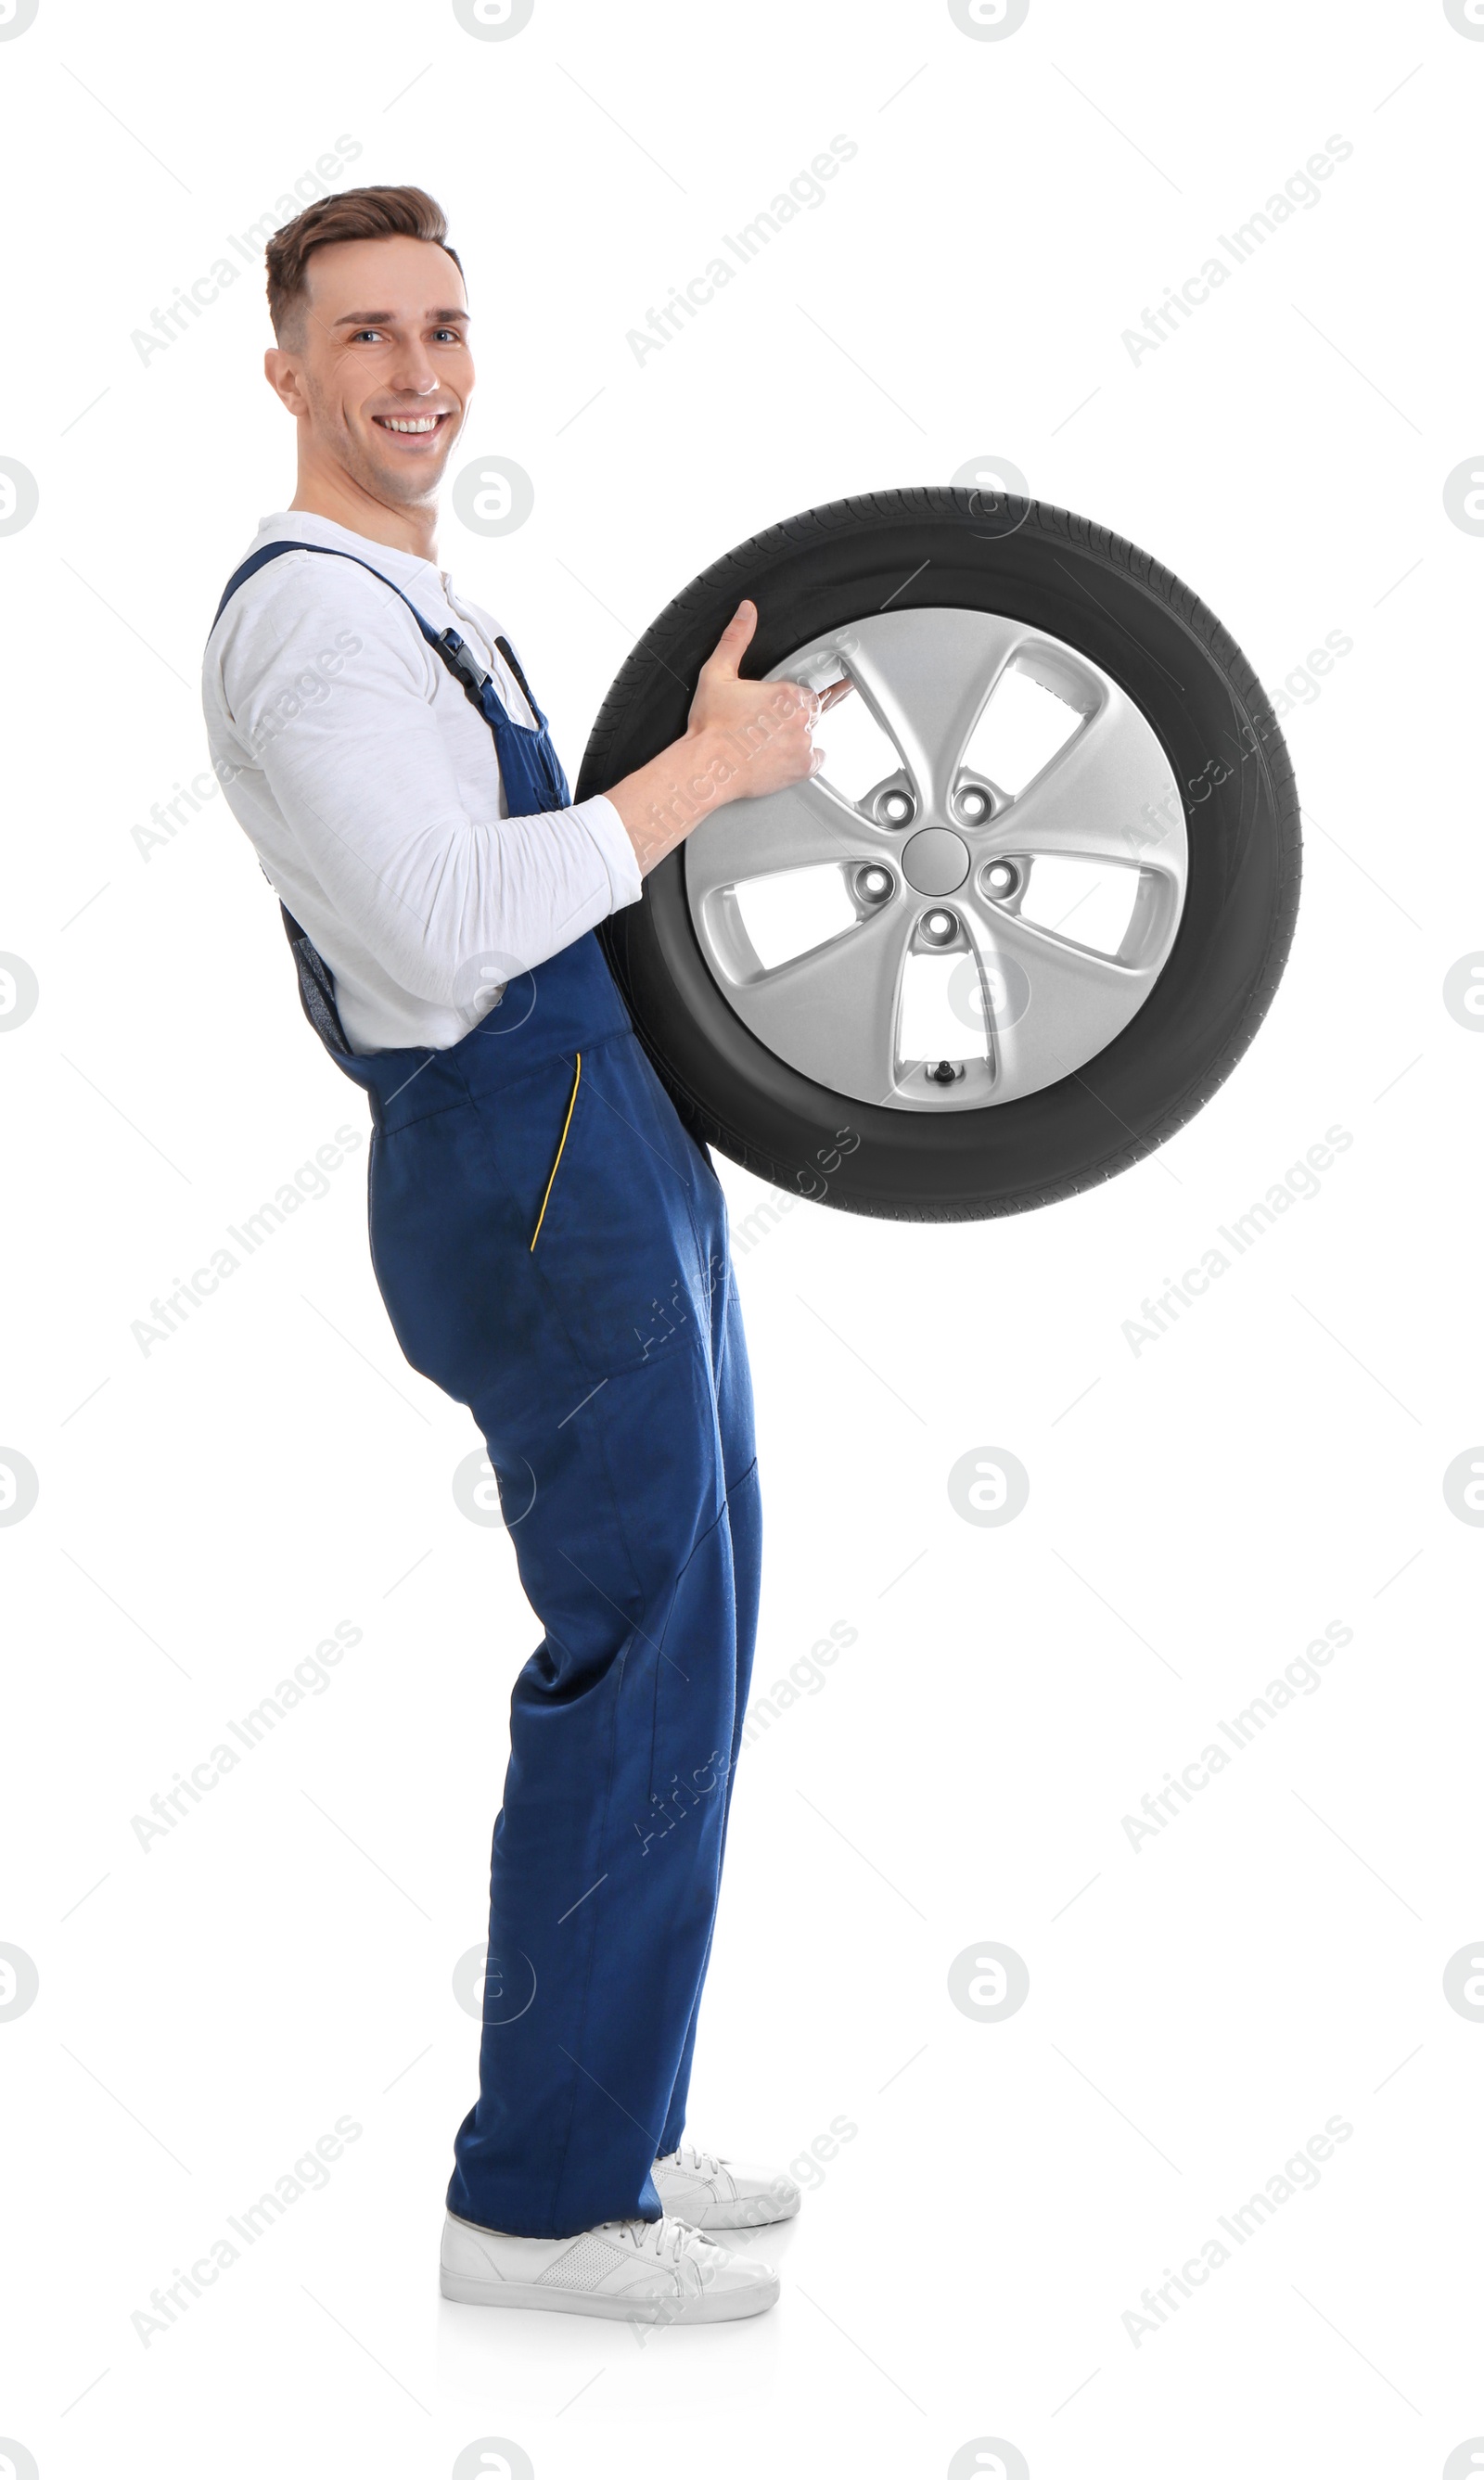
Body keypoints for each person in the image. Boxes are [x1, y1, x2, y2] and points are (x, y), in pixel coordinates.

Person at [200, 184, 850, 2327]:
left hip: (597, 1129)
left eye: (446, 327)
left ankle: (617, 2119)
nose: (418, 373)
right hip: (522, 1155)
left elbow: (522, 871)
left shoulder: (413, 594)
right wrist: (698, 770)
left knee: (700, 1613)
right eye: (367, 335)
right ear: (285, 365)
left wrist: (722, 791)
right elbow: (443, 925)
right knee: (635, 1645)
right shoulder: (309, 617)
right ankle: (543, 2203)